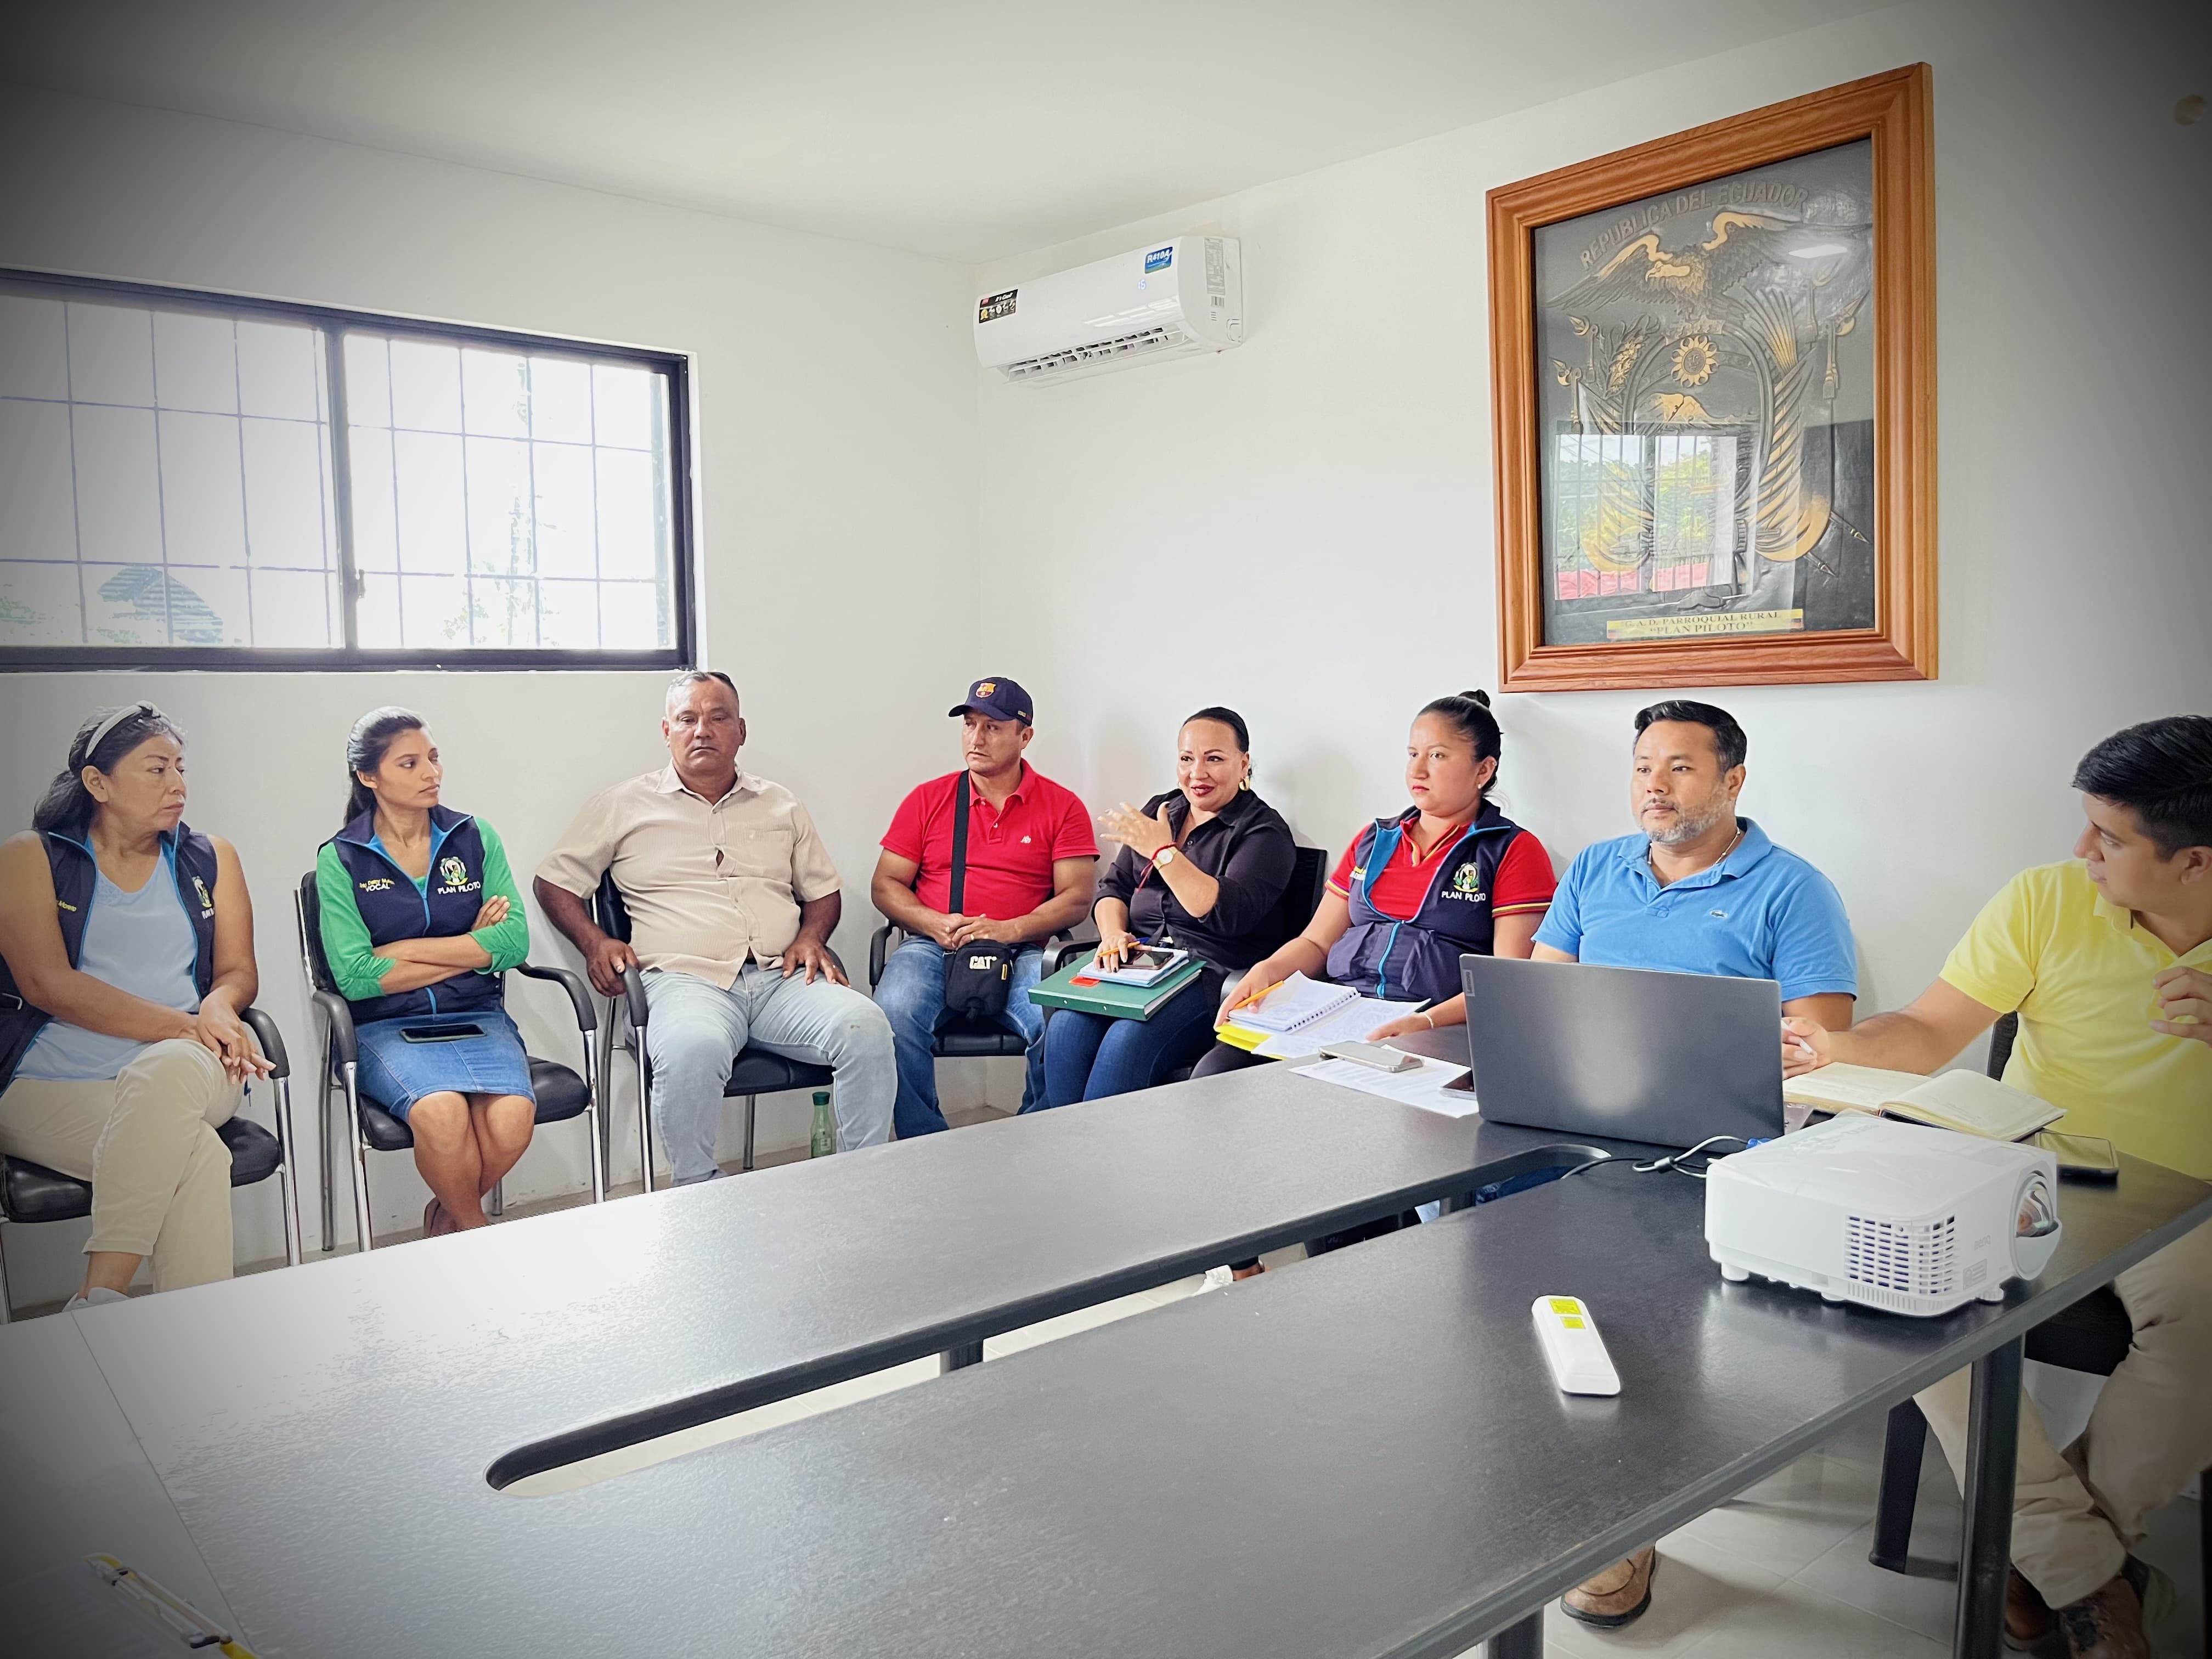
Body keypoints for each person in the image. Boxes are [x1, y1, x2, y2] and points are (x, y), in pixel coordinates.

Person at [1784, 716, 2211, 1659]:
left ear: (2194, 862)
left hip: (2192, 1201)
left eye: (2109, 837)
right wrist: (1836, 1045)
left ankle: (2048, 1565)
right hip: (2031, 1164)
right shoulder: (2047, 898)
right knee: (1904, 1287)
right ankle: (2091, 1580)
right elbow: (1928, 1031)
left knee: (2205, 1328)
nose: (2081, 849)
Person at [1536, 699, 1857, 1632]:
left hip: (1714, 1141)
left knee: (1633, 1267)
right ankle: (1534, 1451)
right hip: (1581, 1117)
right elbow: (1543, 992)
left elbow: (1821, 1043)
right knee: (1467, 1227)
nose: (1655, 785)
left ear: (1732, 780)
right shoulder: (1596, 867)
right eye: (1643, 766)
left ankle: (1625, 1518)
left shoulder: (1793, 889)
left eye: (1679, 767)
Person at [534, 671, 894, 1183]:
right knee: (692, 1049)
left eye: (718, 717)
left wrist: (812, 936)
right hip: (682, 982)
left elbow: (822, 891)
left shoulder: (781, 804)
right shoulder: (622, 805)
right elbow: (554, 883)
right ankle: (697, 1191)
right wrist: (595, 942)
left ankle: (865, 1181)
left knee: (867, 1027)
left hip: (780, 979)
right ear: (667, 732)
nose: (702, 730)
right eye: (687, 719)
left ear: (740, 731)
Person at [0, 703, 271, 1306]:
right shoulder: (31, 857)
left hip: (191, 1070)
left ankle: (99, 1297)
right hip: (48, 1084)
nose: (178, 785)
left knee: (165, 1071)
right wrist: (187, 1025)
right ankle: (196, 1342)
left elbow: (238, 971)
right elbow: (47, 984)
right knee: (196, 1156)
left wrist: (220, 1006)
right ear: (98, 783)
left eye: (180, 768)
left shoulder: (210, 856)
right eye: (156, 769)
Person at [1192, 691, 1556, 1076]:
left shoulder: (1511, 850)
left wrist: (1427, 1022)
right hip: (1340, 1013)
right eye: (1413, 754)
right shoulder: (1375, 840)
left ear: (1483, 771)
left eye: (1437, 756)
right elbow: (1317, 942)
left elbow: (1504, 981)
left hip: (1434, 1029)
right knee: (1216, 1073)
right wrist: (1267, 971)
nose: (1417, 771)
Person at [316, 709, 535, 1238]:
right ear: (369, 776)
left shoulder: (474, 836)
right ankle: (476, 1235)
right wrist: (470, 948)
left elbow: (513, 943)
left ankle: (445, 1221)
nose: (431, 773)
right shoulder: (342, 858)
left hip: (477, 1015)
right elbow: (357, 978)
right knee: (440, 1114)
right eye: (410, 763)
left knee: (511, 1122)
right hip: (386, 1027)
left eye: (434, 758)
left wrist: (404, 951)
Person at [870, 678, 1096, 1135]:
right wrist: (932, 922)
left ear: (1025, 736)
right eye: (970, 725)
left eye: (992, 727)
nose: (976, 738)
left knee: (1062, 1023)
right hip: (934, 946)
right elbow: (885, 884)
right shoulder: (928, 799)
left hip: (1024, 949)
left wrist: (1013, 929)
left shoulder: (1063, 806)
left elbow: (1077, 898)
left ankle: (1033, 1140)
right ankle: (924, 1146)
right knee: (892, 1016)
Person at [1042, 707, 1294, 1109]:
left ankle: (1103, 1147)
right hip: (1139, 964)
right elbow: (1113, 889)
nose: (1197, 773)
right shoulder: (1163, 810)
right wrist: (1113, 934)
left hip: (1208, 978)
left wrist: (1163, 852)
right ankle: (1065, 1145)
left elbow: (1224, 915)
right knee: (1066, 1028)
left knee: (1125, 1040)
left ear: (1244, 763)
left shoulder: (1264, 832)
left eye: (1214, 759)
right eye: (1186, 759)